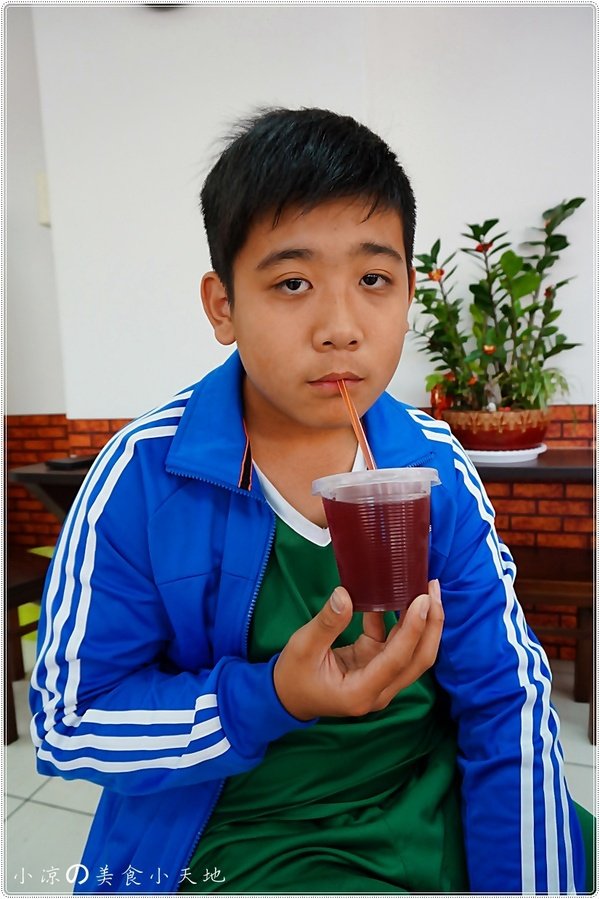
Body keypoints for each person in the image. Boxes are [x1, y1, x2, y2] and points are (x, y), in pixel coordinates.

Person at [30, 107, 585, 895]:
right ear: (223, 306)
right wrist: (271, 697)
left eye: (373, 280)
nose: (341, 327)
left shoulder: (432, 463)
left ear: (408, 292)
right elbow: (69, 723)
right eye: (293, 283)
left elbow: (506, 697)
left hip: (428, 800)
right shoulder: (141, 477)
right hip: (238, 833)